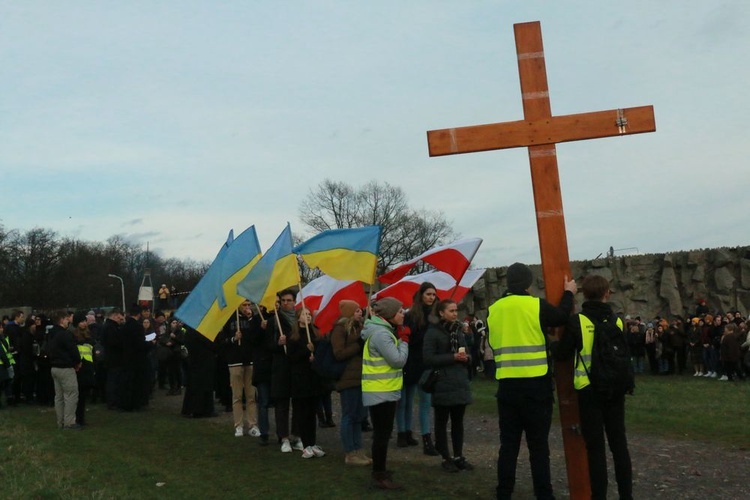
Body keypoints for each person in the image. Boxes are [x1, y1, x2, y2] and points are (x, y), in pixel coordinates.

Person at [487, 262, 576, 500]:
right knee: (538, 447)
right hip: (536, 385)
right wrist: (568, 293)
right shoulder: (535, 304)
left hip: (506, 386)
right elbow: (560, 317)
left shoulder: (493, 309)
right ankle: (544, 495)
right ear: (528, 283)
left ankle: (503, 493)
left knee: (508, 445)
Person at [556, 274, 632, 500]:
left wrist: (552, 344)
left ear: (584, 294)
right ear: (607, 293)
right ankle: (626, 495)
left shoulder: (578, 321)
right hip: (615, 388)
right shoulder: (617, 321)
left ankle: (599, 495)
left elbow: (563, 354)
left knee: (595, 449)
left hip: (589, 389)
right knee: (619, 445)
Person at [361, 297, 409, 490]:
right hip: (381, 390)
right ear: (389, 314)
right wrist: (404, 342)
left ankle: (380, 470)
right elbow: (397, 360)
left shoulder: (383, 331)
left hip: (382, 389)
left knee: (383, 433)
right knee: (382, 434)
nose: (403, 314)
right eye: (399, 311)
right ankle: (379, 475)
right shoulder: (382, 334)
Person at [423, 299, 473, 472]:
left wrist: (467, 358)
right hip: (442, 382)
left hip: (459, 381)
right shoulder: (433, 333)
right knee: (442, 421)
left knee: (458, 422)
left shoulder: (458, 331)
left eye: (456, 310)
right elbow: (428, 358)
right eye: (451, 310)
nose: (455, 313)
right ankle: (446, 457)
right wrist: (452, 358)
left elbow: (467, 351)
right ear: (441, 313)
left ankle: (459, 455)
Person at [398, 282, 440, 456]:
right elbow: (408, 337)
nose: (431, 297)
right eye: (428, 294)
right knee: (405, 400)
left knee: (425, 401)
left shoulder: (436, 315)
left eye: (433, 294)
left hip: (427, 364)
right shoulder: (412, 315)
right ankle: (403, 432)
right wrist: (426, 334)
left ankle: (426, 438)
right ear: (421, 295)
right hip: (411, 362)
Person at [330, 300, 370, 466]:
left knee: (359, 415)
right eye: (356, 311)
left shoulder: (359, 327)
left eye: (360, 310)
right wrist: (357, 346)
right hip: (348, 378)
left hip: (361, 376)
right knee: (349, 415)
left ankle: (358, 449)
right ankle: (350, 452)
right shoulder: (339, 329)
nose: (359, 313)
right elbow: (338, 353)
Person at [286, 307, 326, 459]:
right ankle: (305, 444)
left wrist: (315, 356)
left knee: (312, 412)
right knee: (302, 412)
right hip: (299, 379)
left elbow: (321, 353)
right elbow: (291, 357)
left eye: (309, 314)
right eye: (304, 314)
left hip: (313, 378)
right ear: (298, 317)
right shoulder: (293, 336)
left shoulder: (315, 333)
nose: (308, 316)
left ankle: (312, 442)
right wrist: (305, 351)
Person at [217, 300, 260, 437]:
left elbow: (257, 337)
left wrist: (251, 318)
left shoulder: (252, 318)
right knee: (237, 396)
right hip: (234, 361)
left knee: (251, 395)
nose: (247, 307)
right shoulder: (228, 319)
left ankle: (252, 424)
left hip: (250, 360)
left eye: (248, 305)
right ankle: (238, 425)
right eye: (244, 305)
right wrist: (234, 339)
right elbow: (221, 341)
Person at [267, 290, 303, 453]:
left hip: (296, 366)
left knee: (298, 403)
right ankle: (284, 437)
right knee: (282, 404)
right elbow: (267, 346)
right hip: (280, 367)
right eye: (283, 301)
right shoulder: (274, 320)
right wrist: (278, 343)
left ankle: (297, 435)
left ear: (295, 301)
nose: (286, 303)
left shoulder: (299, 318)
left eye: (289, 300)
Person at [47, 310, 82, 429]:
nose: (68, 322)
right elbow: (73, 350)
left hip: (54, 367)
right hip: (65, 368)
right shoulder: (65, 334)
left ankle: (60, 422)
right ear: (62, 320)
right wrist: (77, 362)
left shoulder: (51, 334)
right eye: (67, 319)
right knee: (71, 395)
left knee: (59, 397)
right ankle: (69, 422)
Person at [72, 312, 95, 426]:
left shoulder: (89, 336)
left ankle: (81, 418)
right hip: (78, 368)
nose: (84, 323)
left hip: (88, 367)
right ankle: (77, 418)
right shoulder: (73, 336)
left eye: (85, 321)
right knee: (78, 395)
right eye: (81, 321)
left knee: (83, 395)